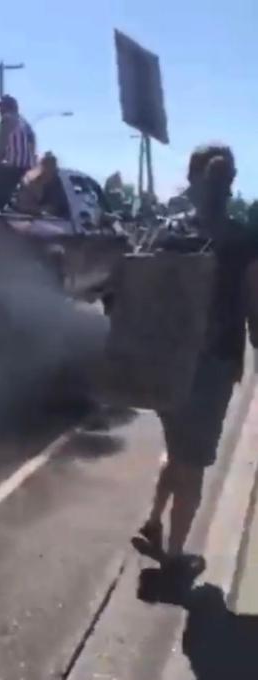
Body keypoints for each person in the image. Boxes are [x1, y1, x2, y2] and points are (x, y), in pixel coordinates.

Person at [136, 144, 258, 578]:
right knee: (193, 462)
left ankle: (153, 523)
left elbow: (140, 297)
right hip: (214, 364)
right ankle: (173, 557)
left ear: (191, 180)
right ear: (231, 183)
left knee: (177, 448)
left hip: (167, 362)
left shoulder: (167, 232)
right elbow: (253, 302)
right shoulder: (243, 239)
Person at [15, 152, 67, 217]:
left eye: (52, 165)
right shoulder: (29, 181)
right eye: (47, 164)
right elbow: (22, 206)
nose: (49, 169)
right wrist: (41, 209)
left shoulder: (58, 185)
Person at [0, 94, 37, 170]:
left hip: (12, 169)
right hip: (27, 169)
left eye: (2, 107)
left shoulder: (7, 119)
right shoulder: (25, 123)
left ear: (8, 107)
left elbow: (1, 144)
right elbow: (32, 146)